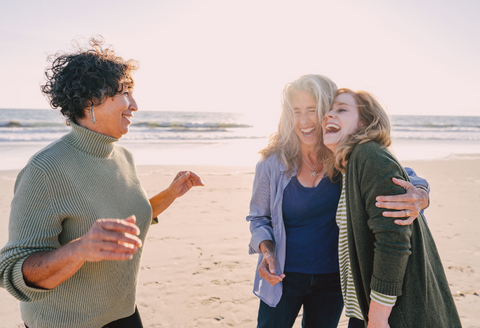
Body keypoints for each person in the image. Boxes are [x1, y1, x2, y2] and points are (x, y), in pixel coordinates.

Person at [0, 37, 204, 328]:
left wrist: (170, 195)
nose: (134, 105)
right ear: (91, 99)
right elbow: (12, 271)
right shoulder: (44, 170)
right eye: (125, 93)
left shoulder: (124, 157)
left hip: (124, 314)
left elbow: (124, 222)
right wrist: (79, 249)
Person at [246, 75, 430, 328]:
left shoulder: (344, 155)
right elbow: (258, 218)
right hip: (282, 276)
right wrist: (266, 252)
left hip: (334, 279)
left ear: (326, 111)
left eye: (312, 110)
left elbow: (398, 172)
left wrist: (420, 192)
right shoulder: (271, 165)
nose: (303, 121)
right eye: (295, 111)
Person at [322, 88, 461, 328]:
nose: (328, 116)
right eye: (327, 111)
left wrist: (378, 316)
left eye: (341, 109)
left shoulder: (368, 155)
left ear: (364, 122)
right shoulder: (349, 166)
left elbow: (393, 241)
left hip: (393, 312)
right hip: (366, 311)